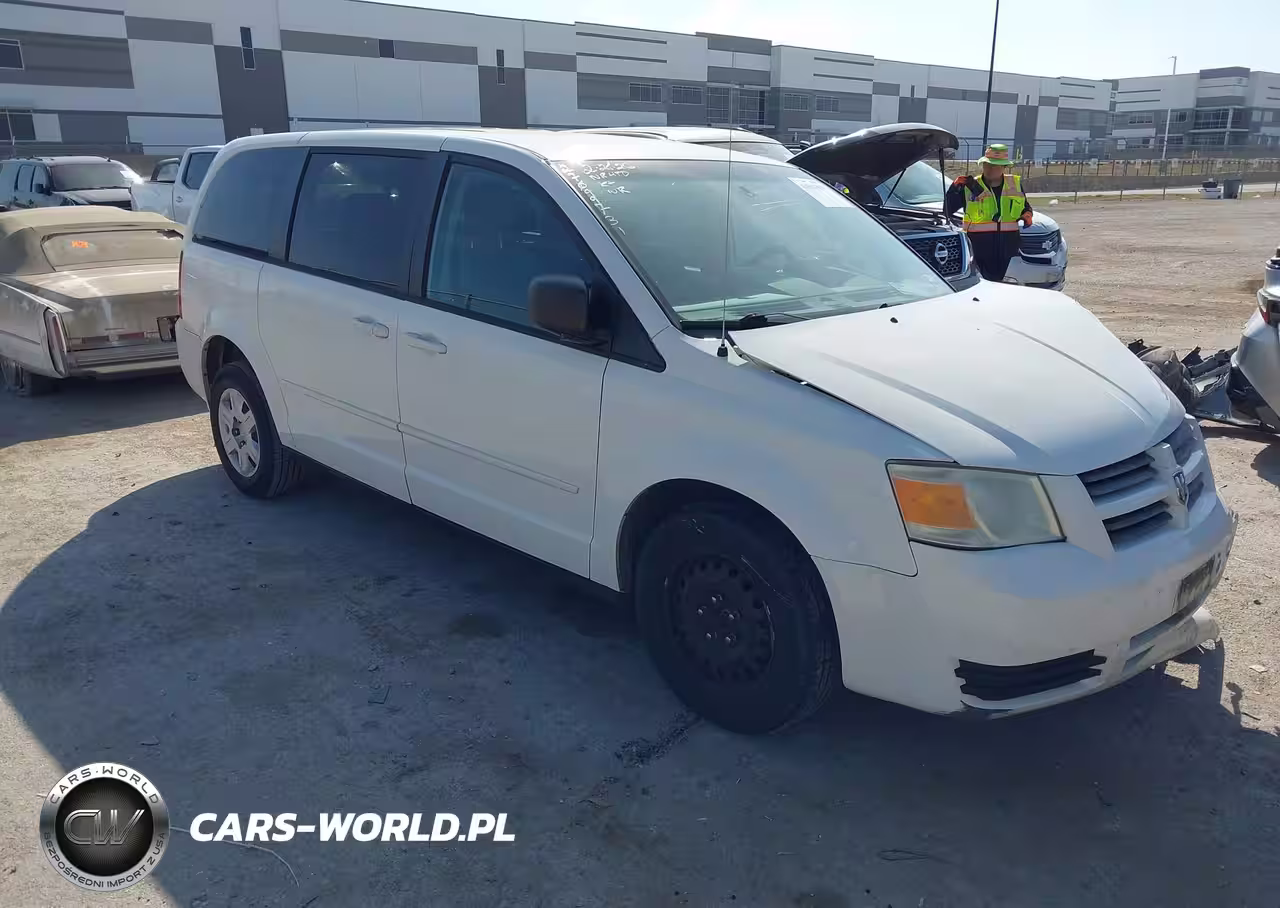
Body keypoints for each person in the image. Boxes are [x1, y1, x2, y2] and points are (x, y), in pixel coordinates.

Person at [943, 143, 1033, 282]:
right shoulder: (970, 186)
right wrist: (954, 190)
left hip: (1009, 250)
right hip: (979, 252)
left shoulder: (1014, 183)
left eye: (995, 166)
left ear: (1004, 167)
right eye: (987, 165)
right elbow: (947, 211)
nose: (990, 169)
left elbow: (1025, 206)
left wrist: (1027, 214)